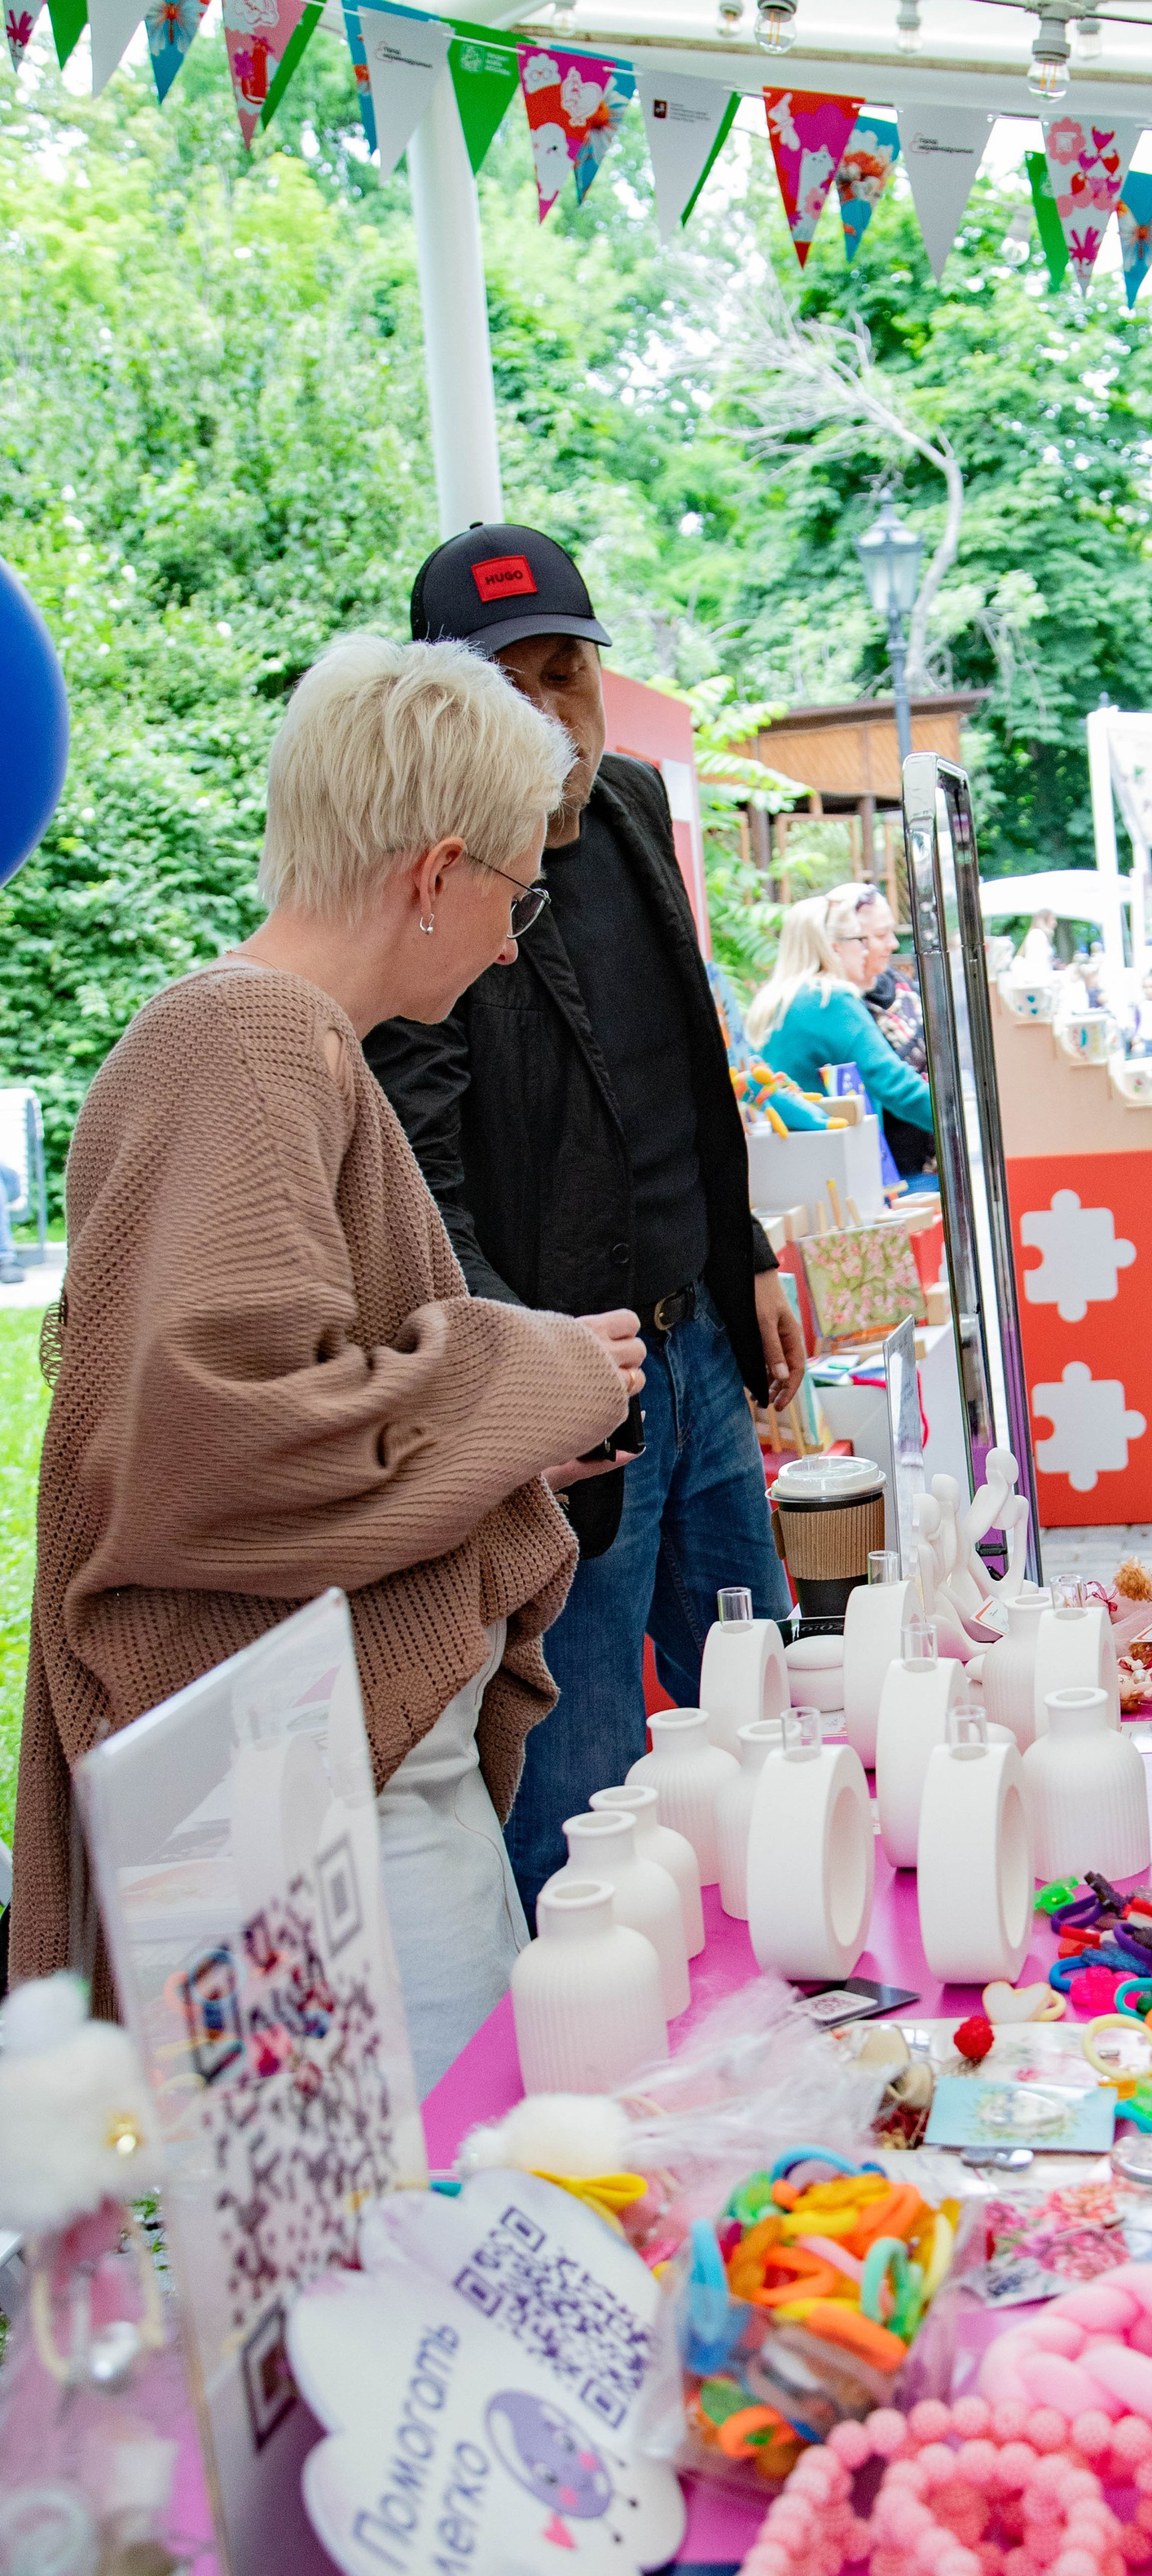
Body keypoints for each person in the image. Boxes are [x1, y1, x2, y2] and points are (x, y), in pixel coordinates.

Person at [14, 637, 643, 2086]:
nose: (510, 941)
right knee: (395, 2261)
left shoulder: (275, 1041)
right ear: (434, 875)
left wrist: (496, 1442)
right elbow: (225, 1449)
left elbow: (281, 1407)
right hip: (306, 1818)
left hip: (336, 1794)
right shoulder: (246, 1039)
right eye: (509, 892)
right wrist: (524, 1373)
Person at [365, 526, 803, 1922]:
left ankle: (800, 1974)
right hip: (573, 1402)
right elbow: (418, 1170)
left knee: (768, 1716)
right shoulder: (423, 883)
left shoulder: (627, 805)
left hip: (701, 1358)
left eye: (569, 673)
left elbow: (689, 1062)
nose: (550, 713)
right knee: (588, 1790)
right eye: (512, 686)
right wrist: (524, 1377)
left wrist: (748, 1257)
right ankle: (602, 2092)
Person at [746, 892, 937, 1144]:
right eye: (859, 939)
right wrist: (959, 1119)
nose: (864, 950)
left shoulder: (771, 1000)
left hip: (784, 1157)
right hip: (833, 1162)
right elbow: (896, 1085)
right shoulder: (830, 1000)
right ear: (835, 947)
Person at [832, 883, 935, 1175]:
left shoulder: (892, 978)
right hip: (897, 1168)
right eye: (879, 935)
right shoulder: (839, 1006)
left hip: (935, 1157)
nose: (892, 943)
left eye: (890, 931)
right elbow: (892, 1084)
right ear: (846, 942)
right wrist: (956, 1120)